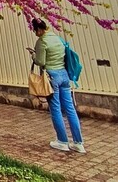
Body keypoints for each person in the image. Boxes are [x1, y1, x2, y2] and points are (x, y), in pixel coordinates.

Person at [28, 18, 85, 153]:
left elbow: (41, 62)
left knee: (56, 109)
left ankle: (62, 141)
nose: (36, 33)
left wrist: (33, 56)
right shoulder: (57, 38)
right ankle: (78, 143)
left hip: (52, 77)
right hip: (64, 76)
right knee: (70, 109)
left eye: (35, 30)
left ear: (39, 29)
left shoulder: (42, 41)